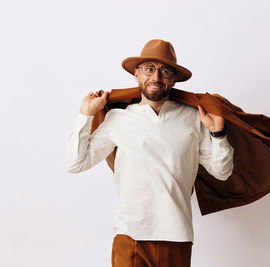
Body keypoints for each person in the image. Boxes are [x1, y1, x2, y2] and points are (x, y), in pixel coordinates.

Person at [65, 39, 234, 267]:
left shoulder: (194, 118)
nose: (156, 77)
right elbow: (76, 163)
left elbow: (221, 173)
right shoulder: (118, 119)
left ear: (173, 78)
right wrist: (85, 115)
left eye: (164, 71)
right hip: (130, 234)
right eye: (149, 69)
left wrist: (219, 134)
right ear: (136, 74)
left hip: (177, 236)